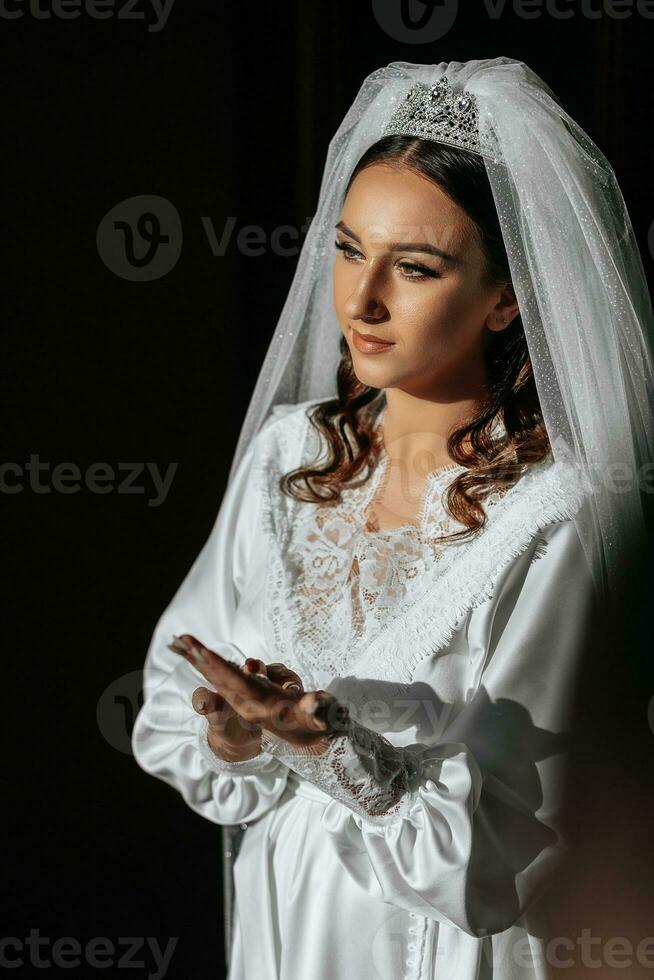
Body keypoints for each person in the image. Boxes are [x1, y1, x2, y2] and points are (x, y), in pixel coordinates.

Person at [131, 59, 654, 979]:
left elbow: (518, 837)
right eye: (345, 249)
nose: (361, 301)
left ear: (507, 298)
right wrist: (234, 732)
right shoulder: (288, 459)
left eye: (413, 267)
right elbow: (181, 694)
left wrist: (332, 749)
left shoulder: (558, 514)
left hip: (444, 944)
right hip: (285, 920)